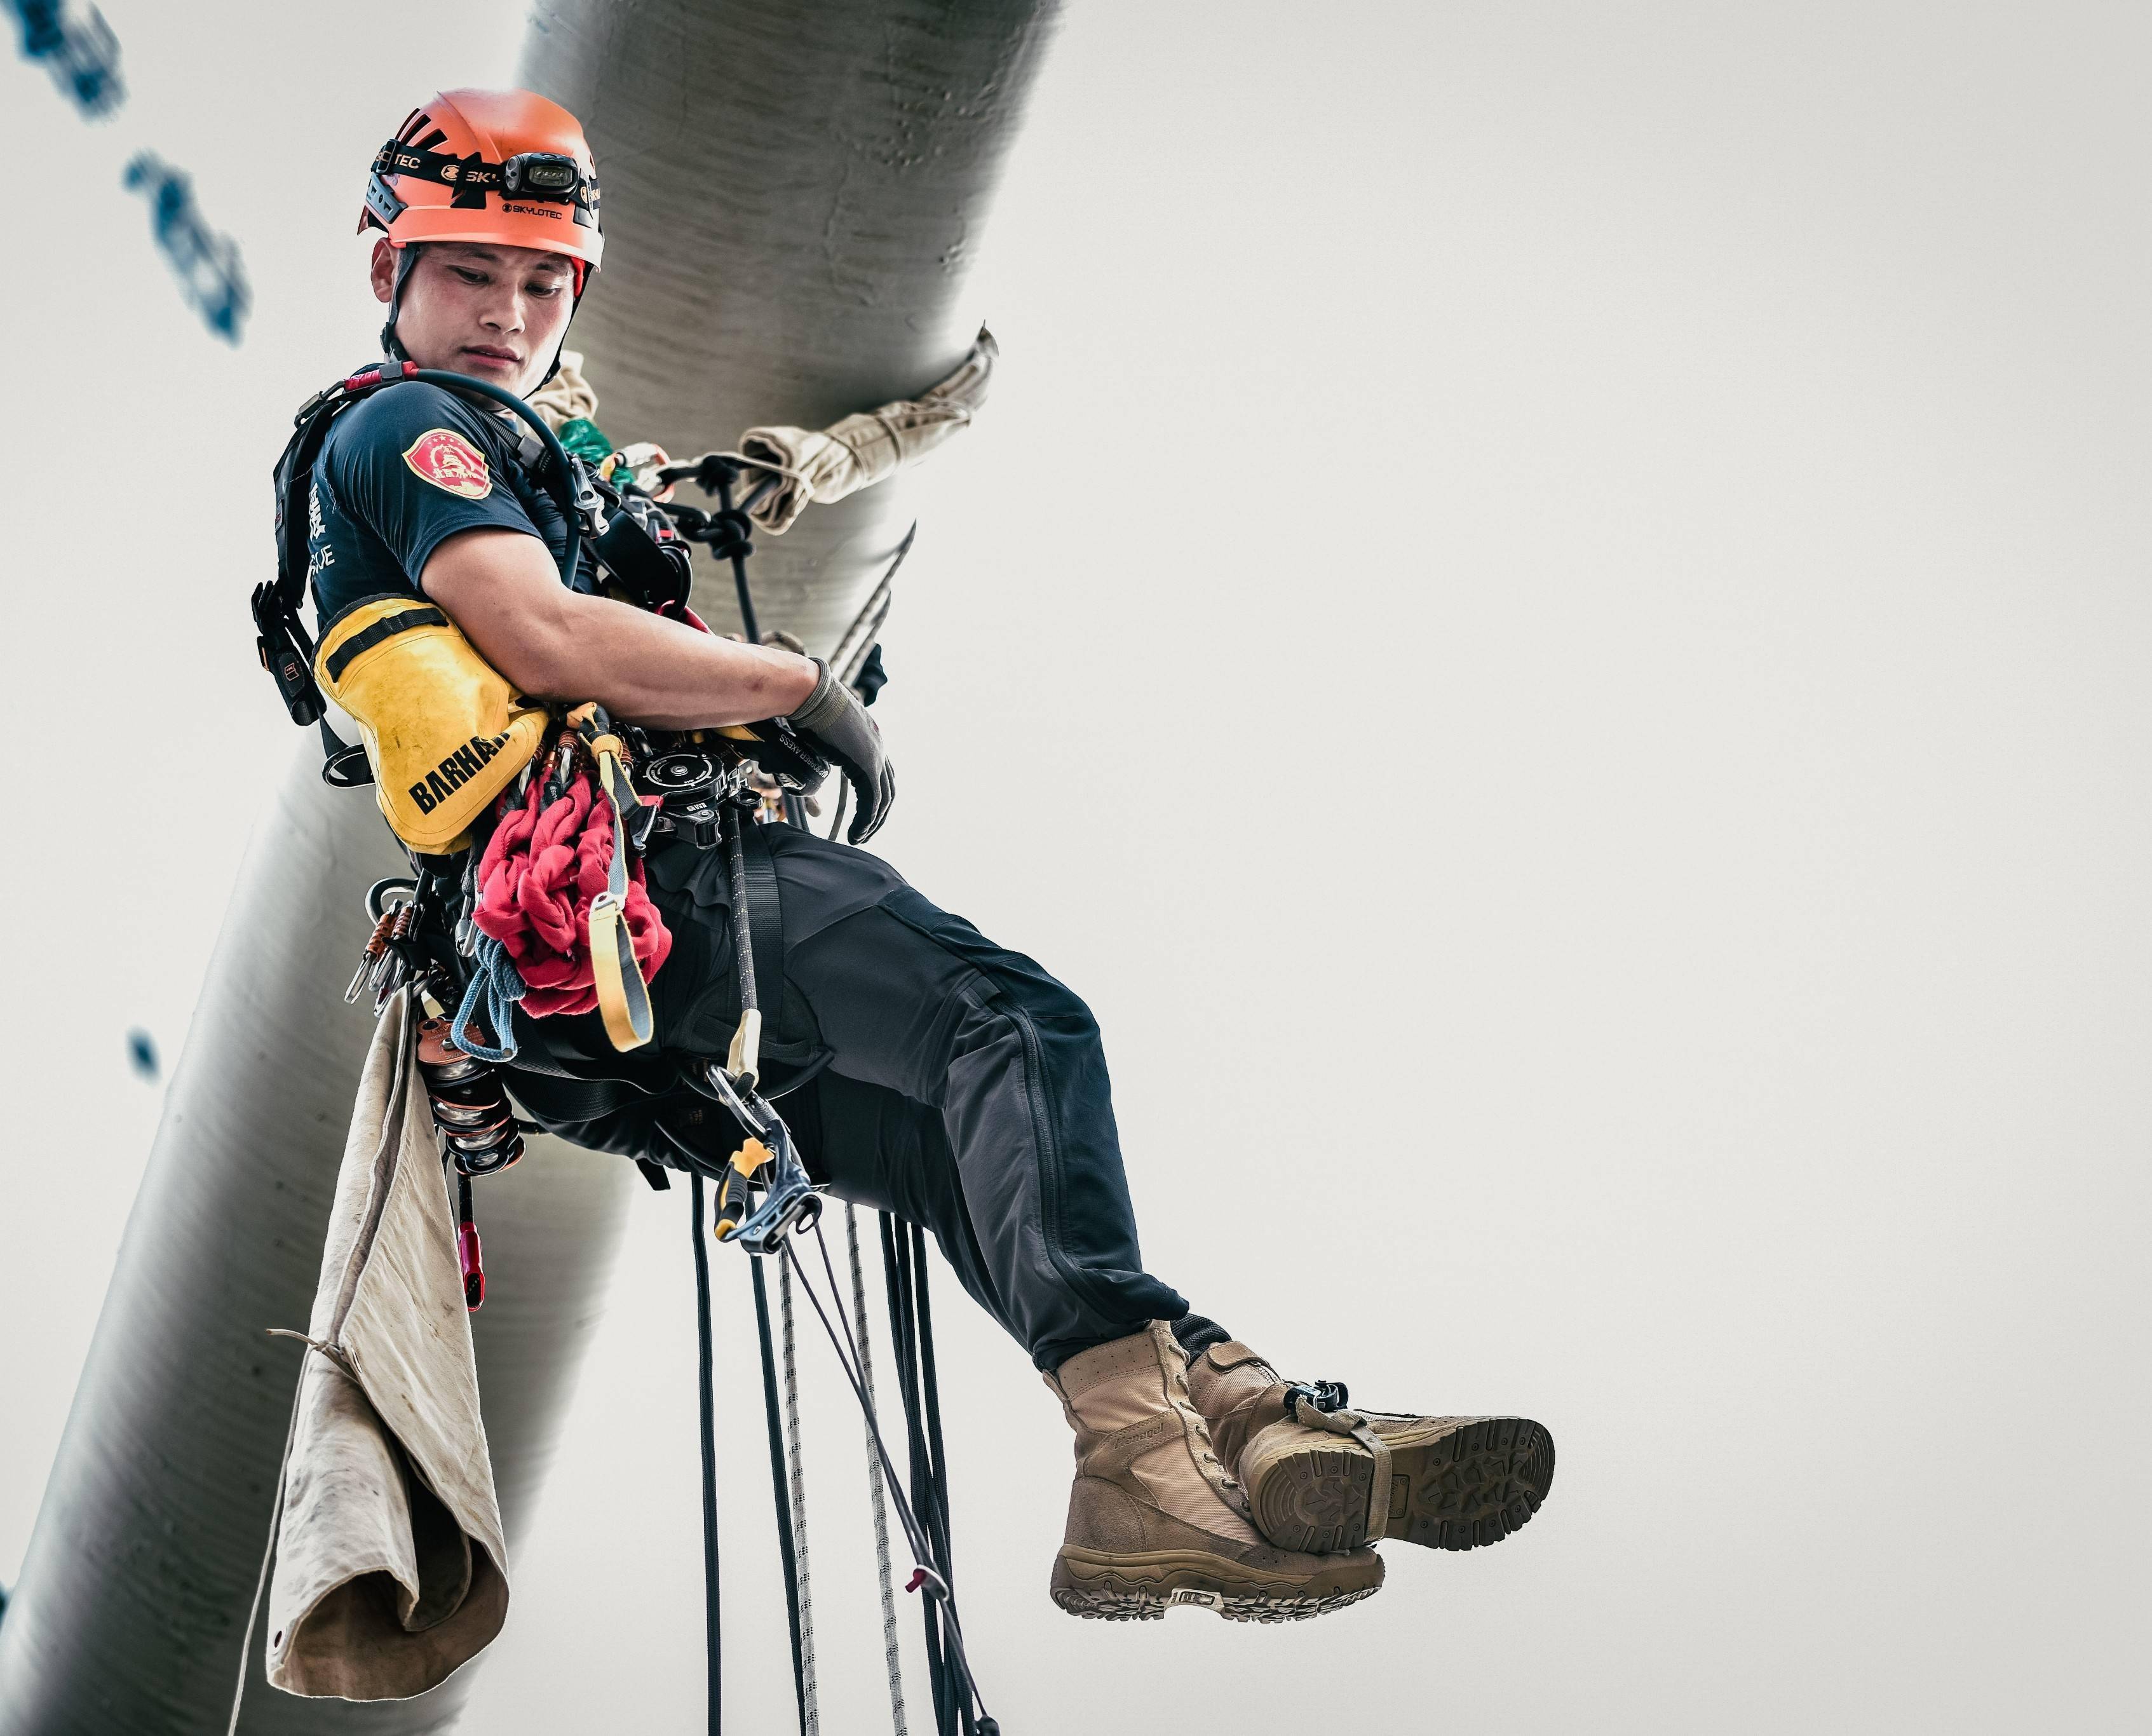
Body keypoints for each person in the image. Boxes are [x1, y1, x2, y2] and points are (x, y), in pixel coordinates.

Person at [301, 87, 1553, 1623]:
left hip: (585, 1006)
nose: (507, 312)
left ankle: (1219, 1414)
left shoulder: (534, 461)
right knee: (1016, 1024)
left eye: (542, 281)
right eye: (469, 273)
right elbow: (539, 632)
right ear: (389, 274)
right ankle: (1137, 1450)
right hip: (646, 899)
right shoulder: (403, 428)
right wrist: (796, 686)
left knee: (956, 1150)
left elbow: (563, 596)